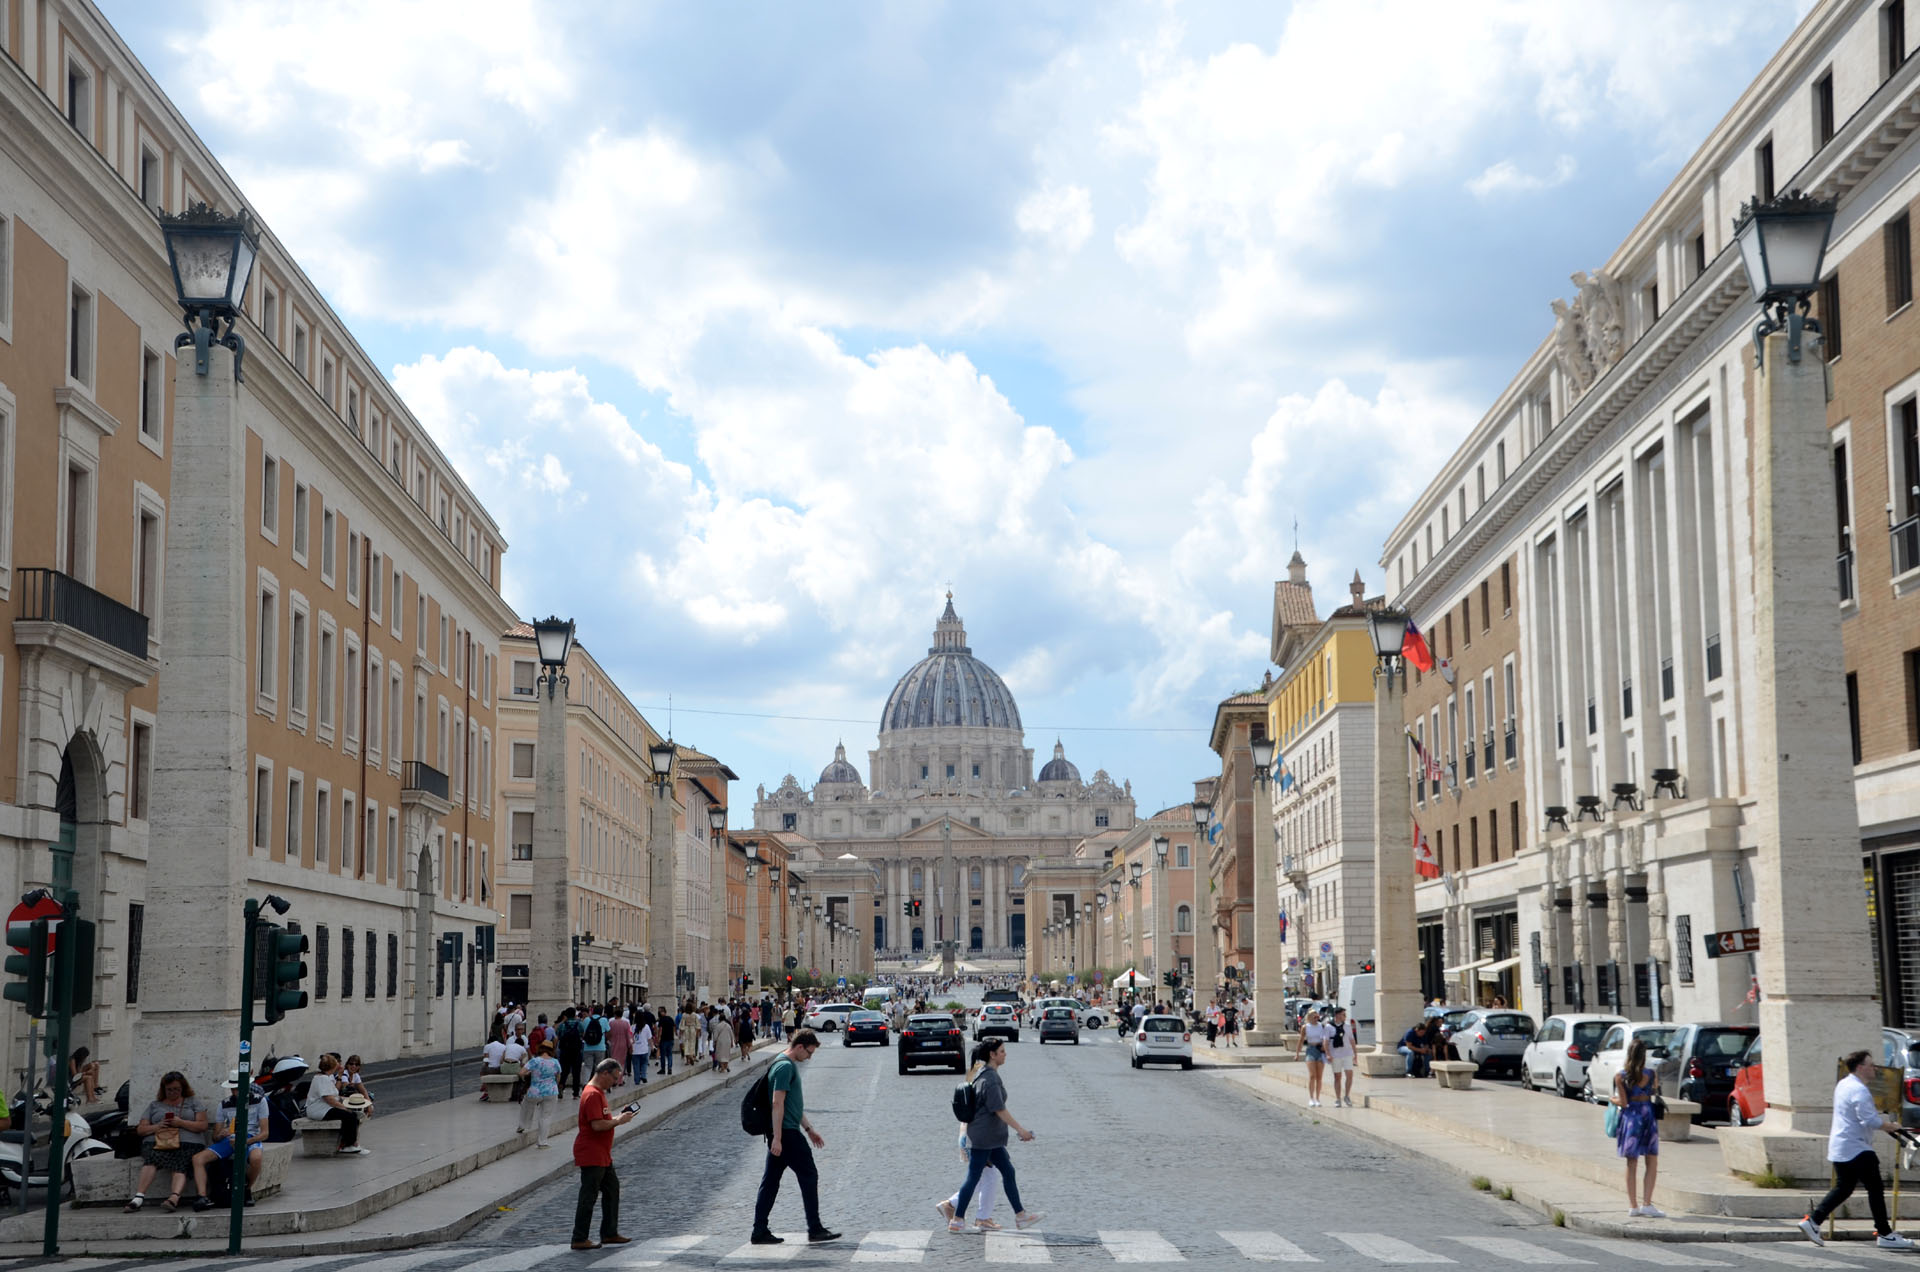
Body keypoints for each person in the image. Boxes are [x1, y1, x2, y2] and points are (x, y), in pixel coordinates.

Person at [1800, 1050, 1917, 1249]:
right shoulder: (1859, 1090)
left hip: (1842, 1146)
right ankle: (1885, 1234)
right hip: (1857, 1148)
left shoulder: (1844, 1084)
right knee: (1875, 1189)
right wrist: (1893, 1126)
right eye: (1871, 1065)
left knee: (1844, 1188)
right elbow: (1869, 1120)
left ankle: (1813, 1221)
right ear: (1861, 1067)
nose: (1875, 1069)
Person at [750, 1029, 841, 1245]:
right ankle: (815, 1228)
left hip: (786, 1132)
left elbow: (792, 1105)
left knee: (770, 1182)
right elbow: (777, 1103)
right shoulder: (784, 1067)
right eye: (809, 1053)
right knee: (809, 1175)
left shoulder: (783, 1064)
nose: (809, 1058)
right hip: (787, 1134)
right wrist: (778, 1138)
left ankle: (759, 1230)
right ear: (800, 1047)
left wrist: (809, 1130)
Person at [948, 1039, 1044, 1234]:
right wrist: (1021, 1130)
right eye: (1002, 1051)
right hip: (984, 1138)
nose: (1005, 1054)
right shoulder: (990, 1079)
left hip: (989, 1137)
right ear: (992, 1055)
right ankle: (957, 1220)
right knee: (974, 1177)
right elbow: (999, 1109)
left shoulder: (980, 1073)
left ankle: (1020, 1215)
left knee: (1007, 1171)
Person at [570, 1058, 635, 1250]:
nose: (615, 1082)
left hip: (602, 1154)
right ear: (604, 1073)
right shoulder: (592, 1095)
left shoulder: (598, 1093)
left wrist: (616, 1118)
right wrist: (618, 1121)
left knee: (612, 1190)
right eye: (614, 1078)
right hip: (592, 1153)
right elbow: (597, 1125)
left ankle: (609, 1233)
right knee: (588, 1196)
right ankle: (579, 1237)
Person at [126, 1071, 211, 1212]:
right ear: (163, 1089)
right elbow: (141, 1129)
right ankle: (138, 1197)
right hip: (159, 1142)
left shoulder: (193, 1102)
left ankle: (174, 1198)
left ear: (183, 1088)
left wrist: (181, 1123)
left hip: (187, 1142)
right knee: (152, 1158)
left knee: (181, 1159)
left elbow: (203, 1125)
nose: (173, 1092)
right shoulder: (155, 1105)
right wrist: (158, 1126)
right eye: (169, 1090)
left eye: (176, 1089)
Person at [191, 1071, 267, 1210]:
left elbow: (264, 1133)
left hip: (251, 1137)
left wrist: (246, 1142)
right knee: (198, 1159)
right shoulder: (224, 1104)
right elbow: (215, 1136)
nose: (235, 1091)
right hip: (230, 1138)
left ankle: (247, 1189)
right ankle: (202, 1196)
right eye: (233, 1088)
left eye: (238, 1088)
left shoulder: (259, 1101)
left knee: (256, 1158)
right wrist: (221, 1134)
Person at [1611, 1037, 1664, 1218]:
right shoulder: (1651, 1074)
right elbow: (1654, 1091)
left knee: (1631, 1163)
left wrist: (1612, 1100)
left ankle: (1633, 1206)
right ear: (1644, 1056)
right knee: (1652, 1160)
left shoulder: (1620, 1076)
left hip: (1631, 1119)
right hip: (1647, 1115)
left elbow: (1623, 1103)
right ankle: (1647, 1203)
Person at [306, 1054, 369, 1155]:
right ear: (332, 1066)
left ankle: (352, 1143)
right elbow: (329, 1099)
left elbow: (334, 1095)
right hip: (319, 1110)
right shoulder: (322, 1079)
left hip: (325, 1107)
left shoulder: (326, 1077)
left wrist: (347, 1101)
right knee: (349, 1116)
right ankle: (347, 1145)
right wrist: (344, 1108)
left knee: (353, 1114)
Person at [518, 1040, 564, 1148]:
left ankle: (523, 1125)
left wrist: (527, 1076)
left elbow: (521, 1073)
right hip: (551, 1091)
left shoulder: (535, 1061)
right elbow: (558, 1077)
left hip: (535, 1091)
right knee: (545, 1117)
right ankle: (542, 1142)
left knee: (526, 1106)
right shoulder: (555, 1062)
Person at [1299, 1009, 1333, 1107]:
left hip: (1320, 1050)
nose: (1316, 1019)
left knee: (1319, 1077)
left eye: (1317, 1017)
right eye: (1314, 1017)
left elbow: (1326, 1039)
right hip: (1310, 1049)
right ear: (1309, 1017)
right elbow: (1301, 1040)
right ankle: (1311, 1098)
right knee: (1312, 1075)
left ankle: (1317, 1098)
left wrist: (1327, 1052)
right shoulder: (1305, 1027)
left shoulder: (1321, 1026)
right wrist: (1297, 1053)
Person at [1326, 1007, 1357, 1107]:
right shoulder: (1328, 1027)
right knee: (1337, 1077)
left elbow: (1352, 1040)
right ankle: (1338, 1098)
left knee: (1349, 1075)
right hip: (1335, 1055)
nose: (1345, 1016)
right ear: (1338, 1015)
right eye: (1343, 1014)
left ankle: (1347, 1096)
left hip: (1347, 1053)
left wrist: (1355, 1054)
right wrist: (1327, 1054)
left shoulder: (1347, 1026)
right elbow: (1325, 1041)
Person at [558, 1009, 586, 1097]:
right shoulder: (579, 1024)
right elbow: (582, 1034)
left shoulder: (562, 1025)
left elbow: (558, 1035)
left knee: (564, 1070)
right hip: (576, 1051)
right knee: (576, 1071)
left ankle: (561, 1086)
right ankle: (576, 1092)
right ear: (574, 1015)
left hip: (565, 1051)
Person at [607, 1009, 633, 1081]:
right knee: (622, 1062)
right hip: (623, 1044)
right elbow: (628, 1035)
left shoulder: (611, 1023)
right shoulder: (626, 1023)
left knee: (613, 1061)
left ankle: (613, 1078)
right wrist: (630, 1046)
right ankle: (619, 1079)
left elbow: (609, 1034)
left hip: (613, 1044)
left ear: (615, 1015)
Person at [711, 1007, 737, 1074]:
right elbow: (731, 1034)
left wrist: (714, 1042)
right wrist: (732, 1042)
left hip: (720, 1042)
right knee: (726, 1055)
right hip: (727, 1041)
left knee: (720, 1055)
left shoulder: (718, 1026)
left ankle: (722, 1068)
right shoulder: (728, 1025)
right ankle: (725, 1067)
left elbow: (715, 1036)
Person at [655, 1007, 675, 1077]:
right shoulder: (670, 1019)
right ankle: (669, 1068)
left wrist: (658, 1038)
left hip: (664, 1039)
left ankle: (663, 1069)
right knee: (669, 1054)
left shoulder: (661, 1020)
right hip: (670, 1039)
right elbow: (673, 1027)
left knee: (663, 1055)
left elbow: (660, 1030)